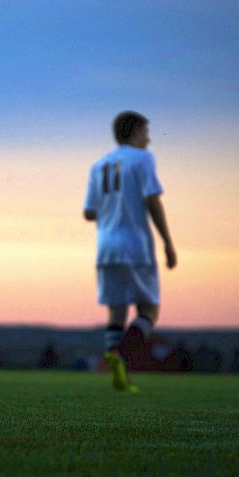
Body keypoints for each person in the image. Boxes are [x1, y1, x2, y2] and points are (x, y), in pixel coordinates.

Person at [83, 111, 177, 392]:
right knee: (149, 309)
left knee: (116, 311)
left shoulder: (99, 165)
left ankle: (119, 377)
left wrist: (112, 210)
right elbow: (152, 201)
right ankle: (119, 354)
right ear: (133, 131)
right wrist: (168, 241)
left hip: (106, 247)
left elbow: (89, 212)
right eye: (145, 131)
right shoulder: (143, 159)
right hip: (135, 245)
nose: (148, 138)